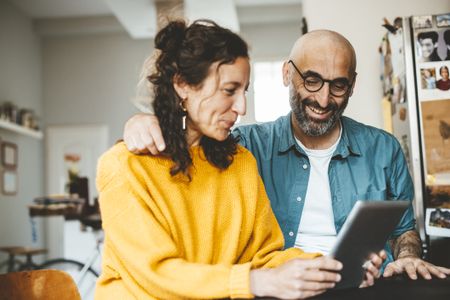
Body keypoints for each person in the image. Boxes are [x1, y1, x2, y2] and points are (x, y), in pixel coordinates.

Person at [123, 29, 450, 281]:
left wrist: (407, 256)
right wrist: (144, 121)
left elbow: (403, 229)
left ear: (351, 86)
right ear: (286, 74)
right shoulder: (245, 147)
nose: (324, 100)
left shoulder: (384, 149)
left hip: (367, 284)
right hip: (283, 285)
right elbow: (188, 153)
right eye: (311, 81)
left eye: (338, 85)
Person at [96, 20, 384, 300]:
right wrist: (255, 281)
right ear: (183, 85)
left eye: (244, 91)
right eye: (229, 90)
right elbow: (156, 275)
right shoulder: (125, 167)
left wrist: (330, 268)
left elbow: (265, 255)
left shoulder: (240, 162)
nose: (241, 108)